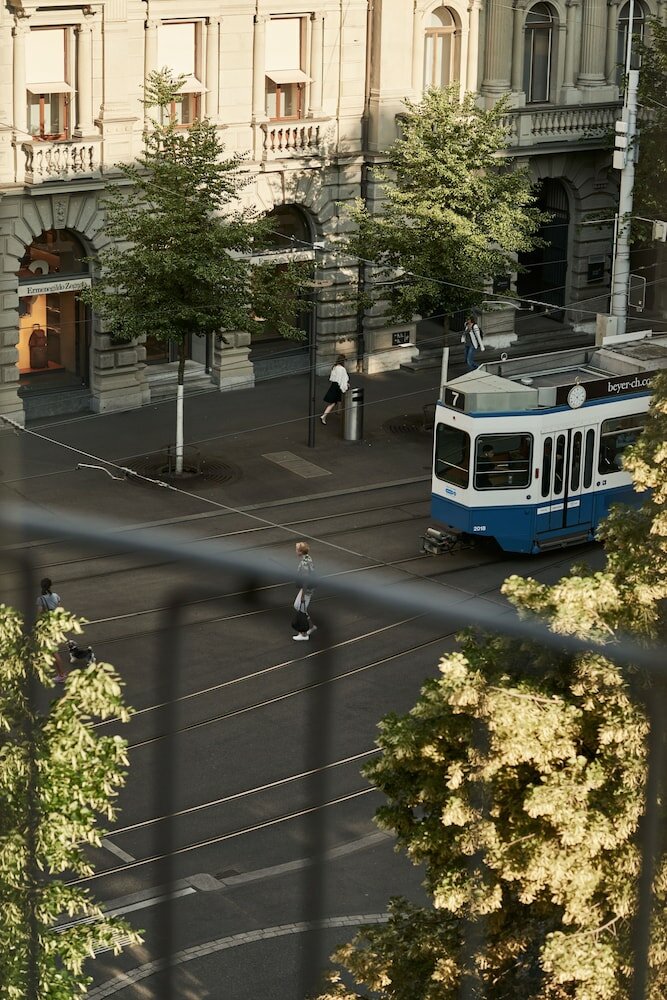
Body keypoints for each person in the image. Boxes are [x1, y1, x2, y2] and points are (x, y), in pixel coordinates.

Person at [37, 577, 66, 683]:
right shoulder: (55, 596)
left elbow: (40, 614)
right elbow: (59, 609)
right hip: (56, 625)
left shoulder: (40, 599)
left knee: (54, 652)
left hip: (48, 626)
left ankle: (62, 675)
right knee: (53, 650)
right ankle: (60, 674)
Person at [293, 541, 317, 641]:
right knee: (297, 606)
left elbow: (306, 579)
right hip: (309, 587)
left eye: (297, 550)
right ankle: (311, 626)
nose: (295, 551)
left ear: (300, 552)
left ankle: (304, 634)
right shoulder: (307, 558)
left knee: (301, 607)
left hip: (306, 589)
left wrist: (303, 595)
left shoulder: (304, 563)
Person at [320, 356, 349, 424]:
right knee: (336, 402)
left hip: (333, 386)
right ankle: (324, 415)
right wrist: (346, 386)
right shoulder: (342, 369)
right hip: (338, 387)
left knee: (335, 401)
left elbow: (332, 378)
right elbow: (343, 380)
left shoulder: (334, 367)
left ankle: (337, 412)